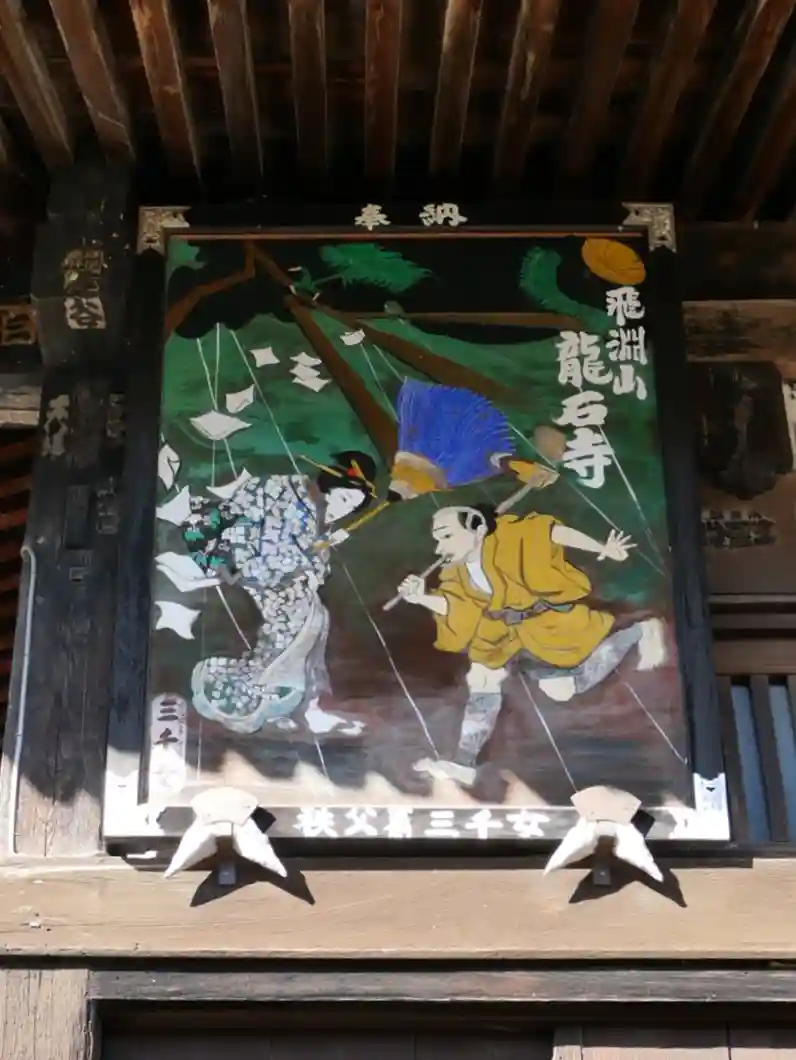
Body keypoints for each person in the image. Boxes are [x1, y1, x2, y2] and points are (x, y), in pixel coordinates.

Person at [395, 503, 666, 787]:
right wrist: (422, 598)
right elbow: (457, 605)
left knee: (563, 690)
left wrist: (601, 547)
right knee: (483, 679)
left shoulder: (511, 537)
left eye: (447, 535)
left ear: (479, 528)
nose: (440, 547)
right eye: (437, 539)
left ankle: (637, 632)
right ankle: (464, 763)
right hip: (500, 631)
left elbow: (551, 532)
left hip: (544, 623)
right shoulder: (456, 572)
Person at [187, 451, 377, 738]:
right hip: (243, 566)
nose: (343, 510)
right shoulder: (275, 489)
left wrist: (321, 549)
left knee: (314, 618)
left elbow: (315, 567)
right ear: (330, 483)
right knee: (295, 617)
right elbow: (244, 535)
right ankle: (252, 685)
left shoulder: (320, 517)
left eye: (352, 507)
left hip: (279, 580)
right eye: (345, 498)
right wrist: (297, 565)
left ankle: (281, 693)